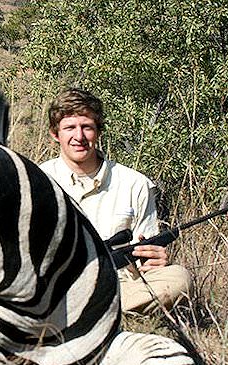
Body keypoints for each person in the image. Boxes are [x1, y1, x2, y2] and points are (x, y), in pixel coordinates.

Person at [38, 87, 193, 314]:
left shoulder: (135, 184)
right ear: (55, 134)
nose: (79, 137)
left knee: (178, 278)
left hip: (119, 287)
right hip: (56, 287)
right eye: (70, 128)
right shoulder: (36, 180)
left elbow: (146, 250)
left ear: (99, 132)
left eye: (87, 127)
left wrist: (154, 259)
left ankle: (83, 314)